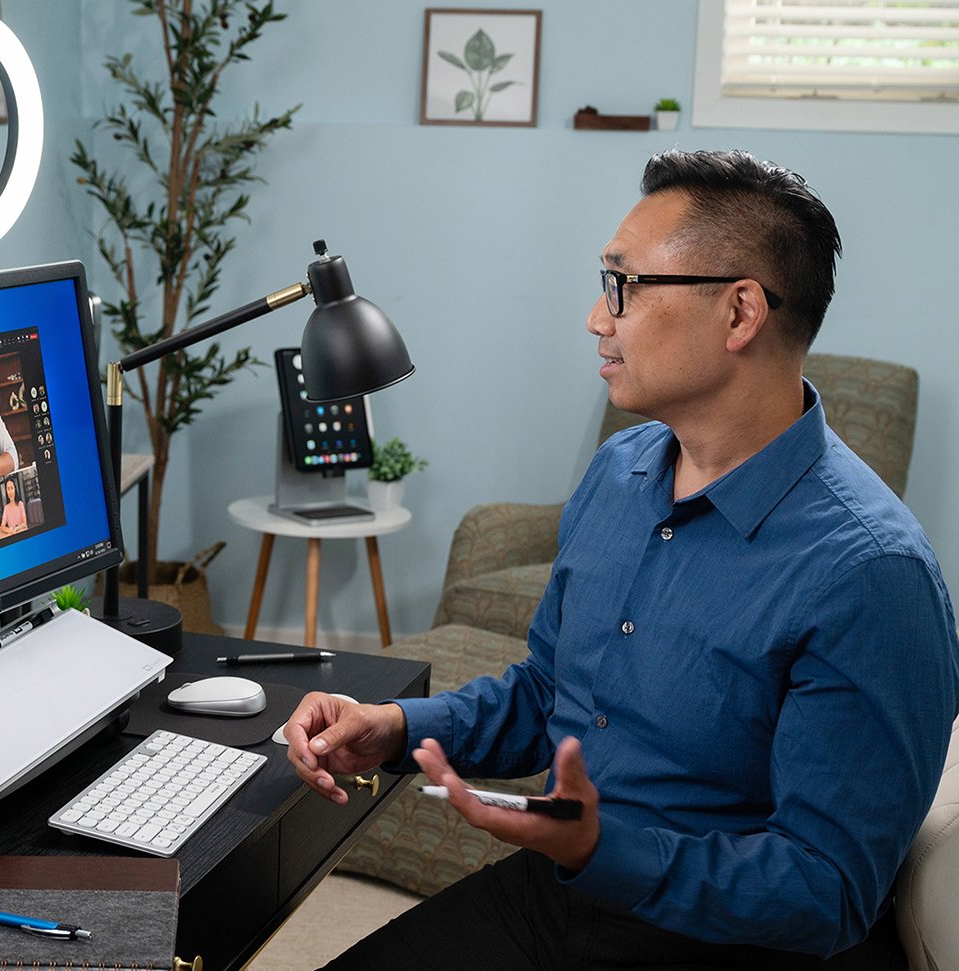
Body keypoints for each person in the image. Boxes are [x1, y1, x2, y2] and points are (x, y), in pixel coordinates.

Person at [285, 149, 959, 968]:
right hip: (564, 892)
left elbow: (828, 889)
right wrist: (393, 728)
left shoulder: (871, 572)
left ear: (740, 312)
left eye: (623, 286)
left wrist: (605, 851)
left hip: (727, 941)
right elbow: (548, 690)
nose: (597, 319)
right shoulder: (623, 469)